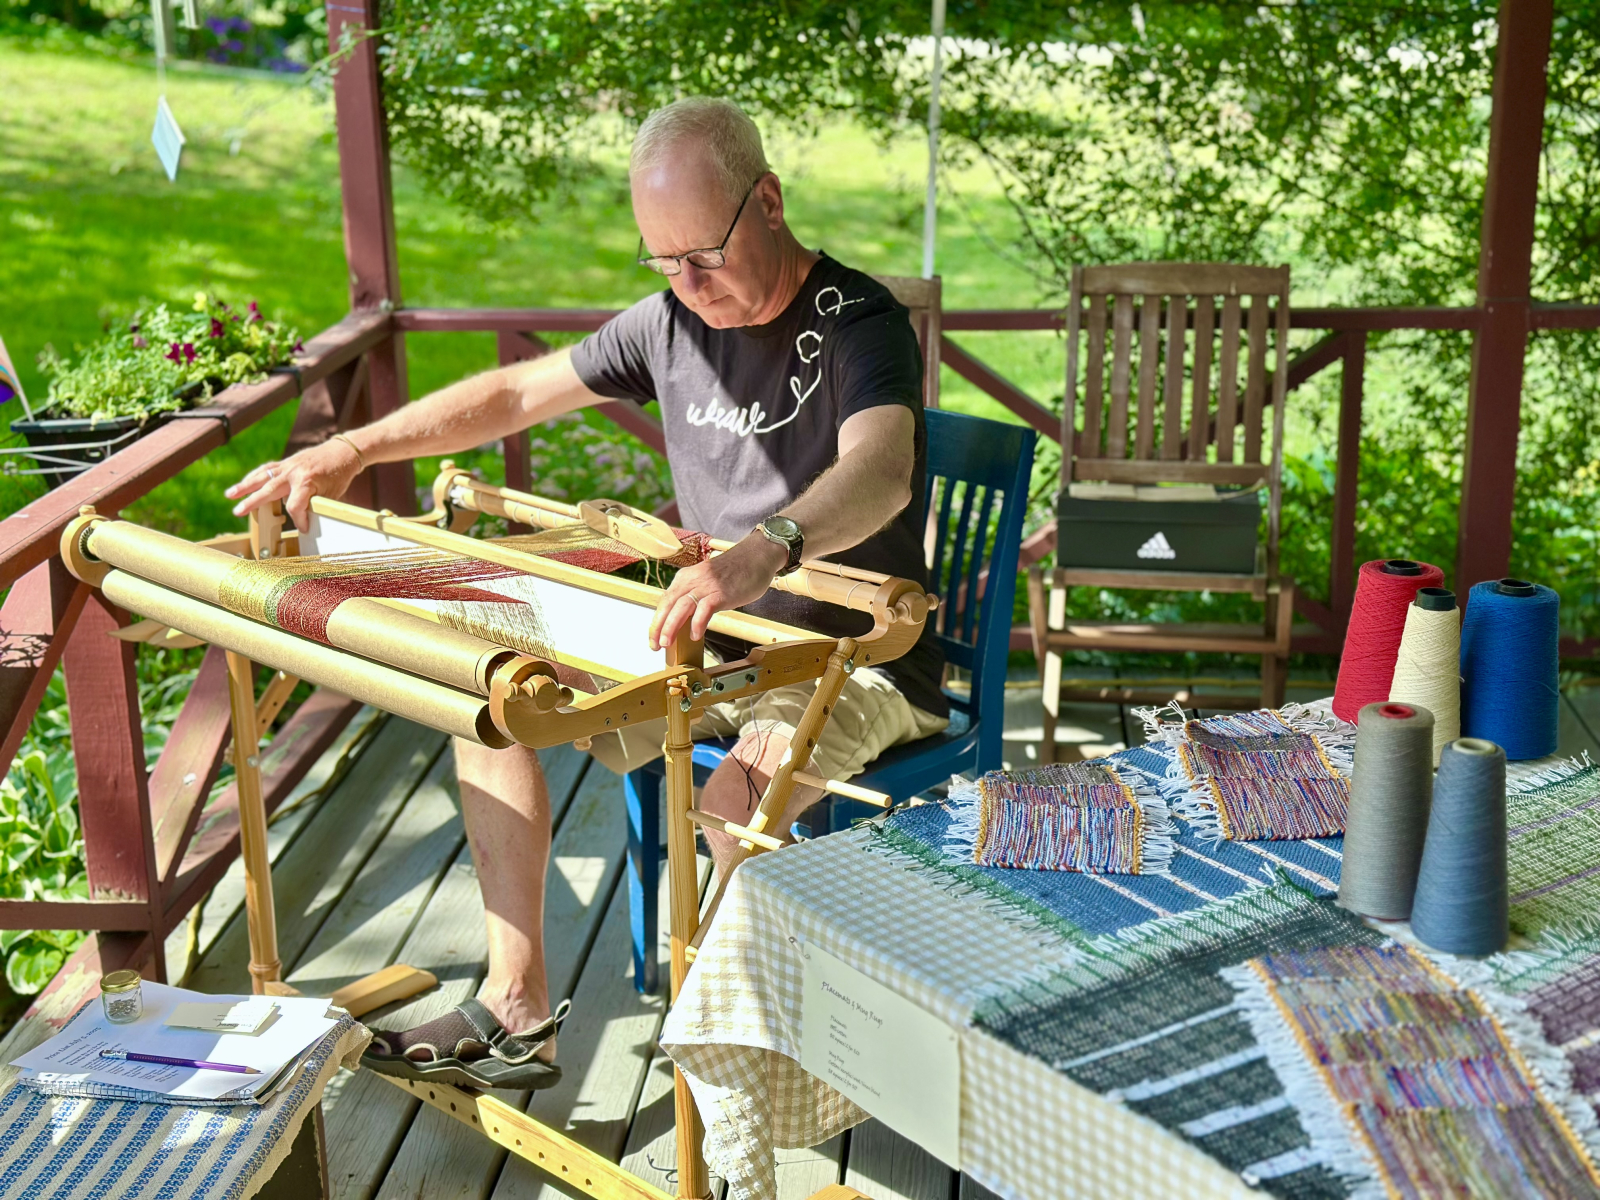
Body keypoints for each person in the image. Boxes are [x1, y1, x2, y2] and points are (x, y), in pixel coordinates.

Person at [226, 97, 947, 1090]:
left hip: (846, 652)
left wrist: (763, 548)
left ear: (768, 202)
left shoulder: (858, 320)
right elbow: (516, 395)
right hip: (707, 643)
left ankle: (735, 1086)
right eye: (663, 265)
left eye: (704, 256)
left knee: (735, 788)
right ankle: (516, 1008)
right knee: (487, 686)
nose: (688, 286)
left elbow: (885, 470)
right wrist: (351, 447)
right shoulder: (670, 323)